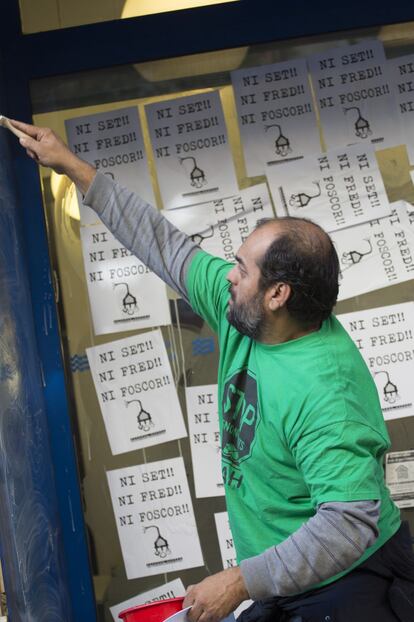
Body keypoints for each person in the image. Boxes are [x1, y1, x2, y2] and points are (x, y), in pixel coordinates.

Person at [12, 120, 414, 622]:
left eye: (243, 268)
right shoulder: (244, 313)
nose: (228, 273)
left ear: (277, 294)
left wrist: (239, 581)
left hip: (350, 583)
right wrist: (71, 166)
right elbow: (164, 246)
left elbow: (350, 523)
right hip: (284, 581)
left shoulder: (327, 391)